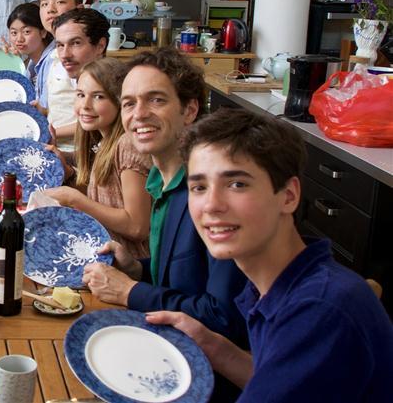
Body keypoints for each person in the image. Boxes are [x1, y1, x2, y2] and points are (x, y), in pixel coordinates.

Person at [147, 108, 393, 402]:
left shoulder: (318, 309)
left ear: (288, 195)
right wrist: (215, 347)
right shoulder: (273, 288)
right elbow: (273, 378)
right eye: (199, 187)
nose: (211, 205)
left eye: (237, 184)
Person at [82, 48, 248, 350]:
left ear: (189, 110)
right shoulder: (158, 181)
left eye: (156, 100)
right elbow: (182, 279)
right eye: (129, 103)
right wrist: (138, 269)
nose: (139, 114)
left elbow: (224, 318)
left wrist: (131, 291)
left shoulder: (213, 196)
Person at [43, 58, 151, 258]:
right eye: (81, 95)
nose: (85, 105)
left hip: (127, 263)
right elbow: (104, 198)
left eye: (99, 97)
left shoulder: (127, 144)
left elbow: (137, 227)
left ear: (121, 102)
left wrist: (74, 199)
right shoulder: (101, 140)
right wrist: (67, 172)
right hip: (100, 253)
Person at [48, 7, 110, 149]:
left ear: (100, 45)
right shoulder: (78, 76)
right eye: (60, 45)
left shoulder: (116, 85)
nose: (64, 55)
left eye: (75, 43)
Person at [35, 0, 84, 115]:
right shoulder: (51, 51)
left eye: (60, 2)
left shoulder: (81, 54)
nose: (50, 9)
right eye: (44, 4)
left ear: (79, 9)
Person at [2, 2, 51, 88]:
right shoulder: (31, 63)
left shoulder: (53, 61)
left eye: (26, 32)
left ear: (43, 32)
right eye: (14, 33)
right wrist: (15, 62)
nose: (19, 39)